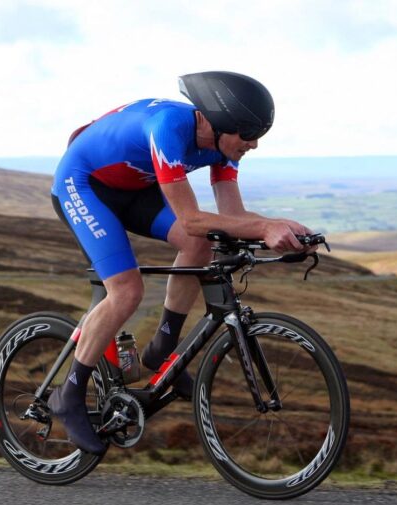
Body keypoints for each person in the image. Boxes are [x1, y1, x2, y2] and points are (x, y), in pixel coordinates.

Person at [48, 71, 314, 454]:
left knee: (201, 243)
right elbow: (191, 219)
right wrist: (262, 227)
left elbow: (232, 214)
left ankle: (162, 351)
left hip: (133, 190)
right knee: (126, 292)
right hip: (84, 185)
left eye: (259, 135)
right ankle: (68, 394)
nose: (253, 144)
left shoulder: (224, 146)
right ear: (220, 123)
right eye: (248, 133)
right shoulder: (168, 128)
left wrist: (284, 229)